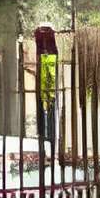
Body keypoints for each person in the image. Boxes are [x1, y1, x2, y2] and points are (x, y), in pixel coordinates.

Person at [31, 24, 61, 154]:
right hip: (44, 75)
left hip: (48, 77)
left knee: (49, 105)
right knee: (45, 105)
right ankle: (45, 136)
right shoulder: (42, 49)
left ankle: (48, 136)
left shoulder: (51, 50)